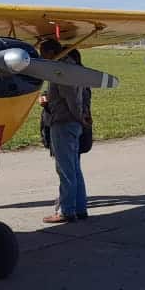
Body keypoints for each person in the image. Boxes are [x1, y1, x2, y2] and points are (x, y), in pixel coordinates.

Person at [37, 39, 89, 224]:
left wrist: (77, 117)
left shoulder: (61, 71)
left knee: (65, 170)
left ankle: (66, 211)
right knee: (74, 168)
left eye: (43, 54)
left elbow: (72, 100)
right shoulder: (73, 68)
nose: (42, 58)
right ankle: (80, 208)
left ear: (51, 52)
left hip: (63, 123)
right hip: (71, 123)